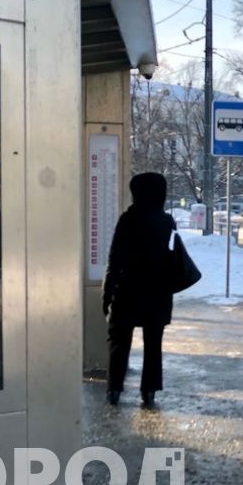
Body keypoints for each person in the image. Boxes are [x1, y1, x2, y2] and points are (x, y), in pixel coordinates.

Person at [103, 172, 177, 409]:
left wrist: (107, 293)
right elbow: (174, 259)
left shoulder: (128, 220)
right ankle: (149, 390)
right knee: (153, 344)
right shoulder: (167, 222)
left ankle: (114, 388)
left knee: (119, 342)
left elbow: (114, 259)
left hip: (127, 292)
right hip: (158, 294)